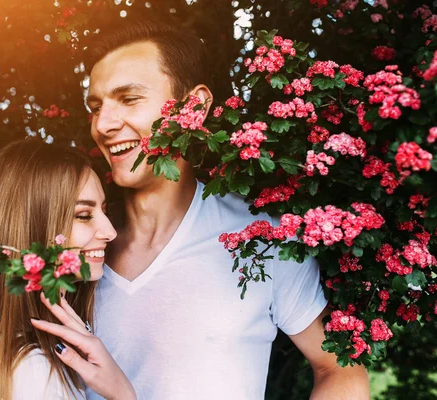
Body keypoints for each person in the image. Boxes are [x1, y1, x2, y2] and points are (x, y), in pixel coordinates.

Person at [77, 20, 370, 399]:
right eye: (96, 107)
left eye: (129, 99)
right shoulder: (76, 243)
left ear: (194, 106)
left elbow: (339, 368)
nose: (103, 124)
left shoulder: (262, 238)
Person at [0, 139, 136, 400]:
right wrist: (123, 395)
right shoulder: (35, 376)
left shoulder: (12, 360)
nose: (110, 232)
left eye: (104, 210)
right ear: (37, 226)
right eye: (83, 215)